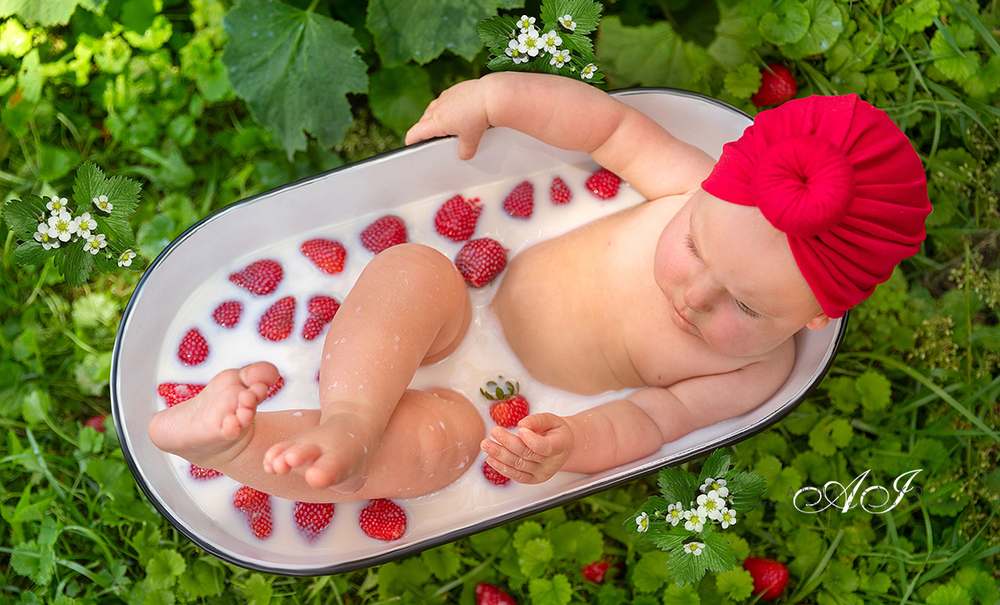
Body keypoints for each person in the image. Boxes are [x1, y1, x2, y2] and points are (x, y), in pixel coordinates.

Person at [148, 72, 931, 503]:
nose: (695, 296)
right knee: (413, 272)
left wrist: (569, 446)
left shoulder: (752, 372)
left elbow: (653, 421)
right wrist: (496, 97)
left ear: (823, 312)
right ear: (712, 189)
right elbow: (607, 127)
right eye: (693, 246)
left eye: (747, 307)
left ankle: (242, 444)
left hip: (507, 404)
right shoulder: (691, 184)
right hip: (469, 297)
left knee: (439, 449)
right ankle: (349, 416)